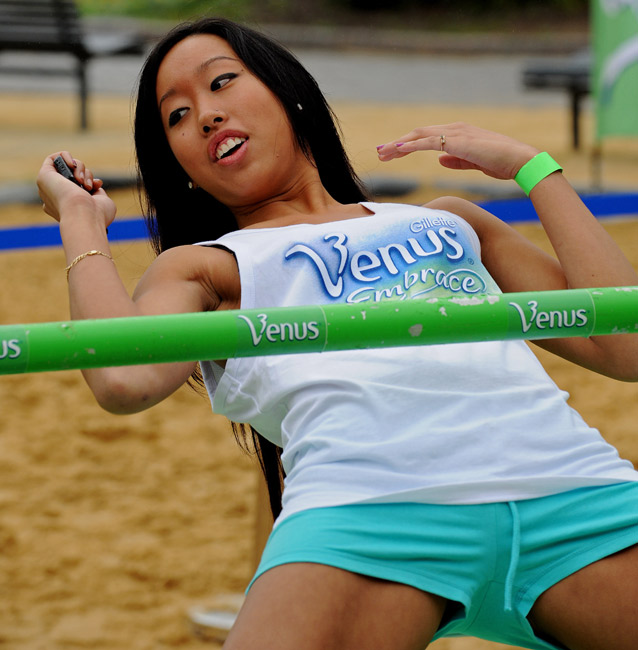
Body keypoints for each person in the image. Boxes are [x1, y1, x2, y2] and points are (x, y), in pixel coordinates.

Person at [36, 17, 638, 650]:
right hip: (369, 512)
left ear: (289, 92)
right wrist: (80, 218)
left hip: (573, 496)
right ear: (180, 164)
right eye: (178, 116)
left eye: (221, 82)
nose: (206, 116)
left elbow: (623, 342)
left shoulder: (450, 221)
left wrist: (534, 170)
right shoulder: (207, 266)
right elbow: (123, 378)